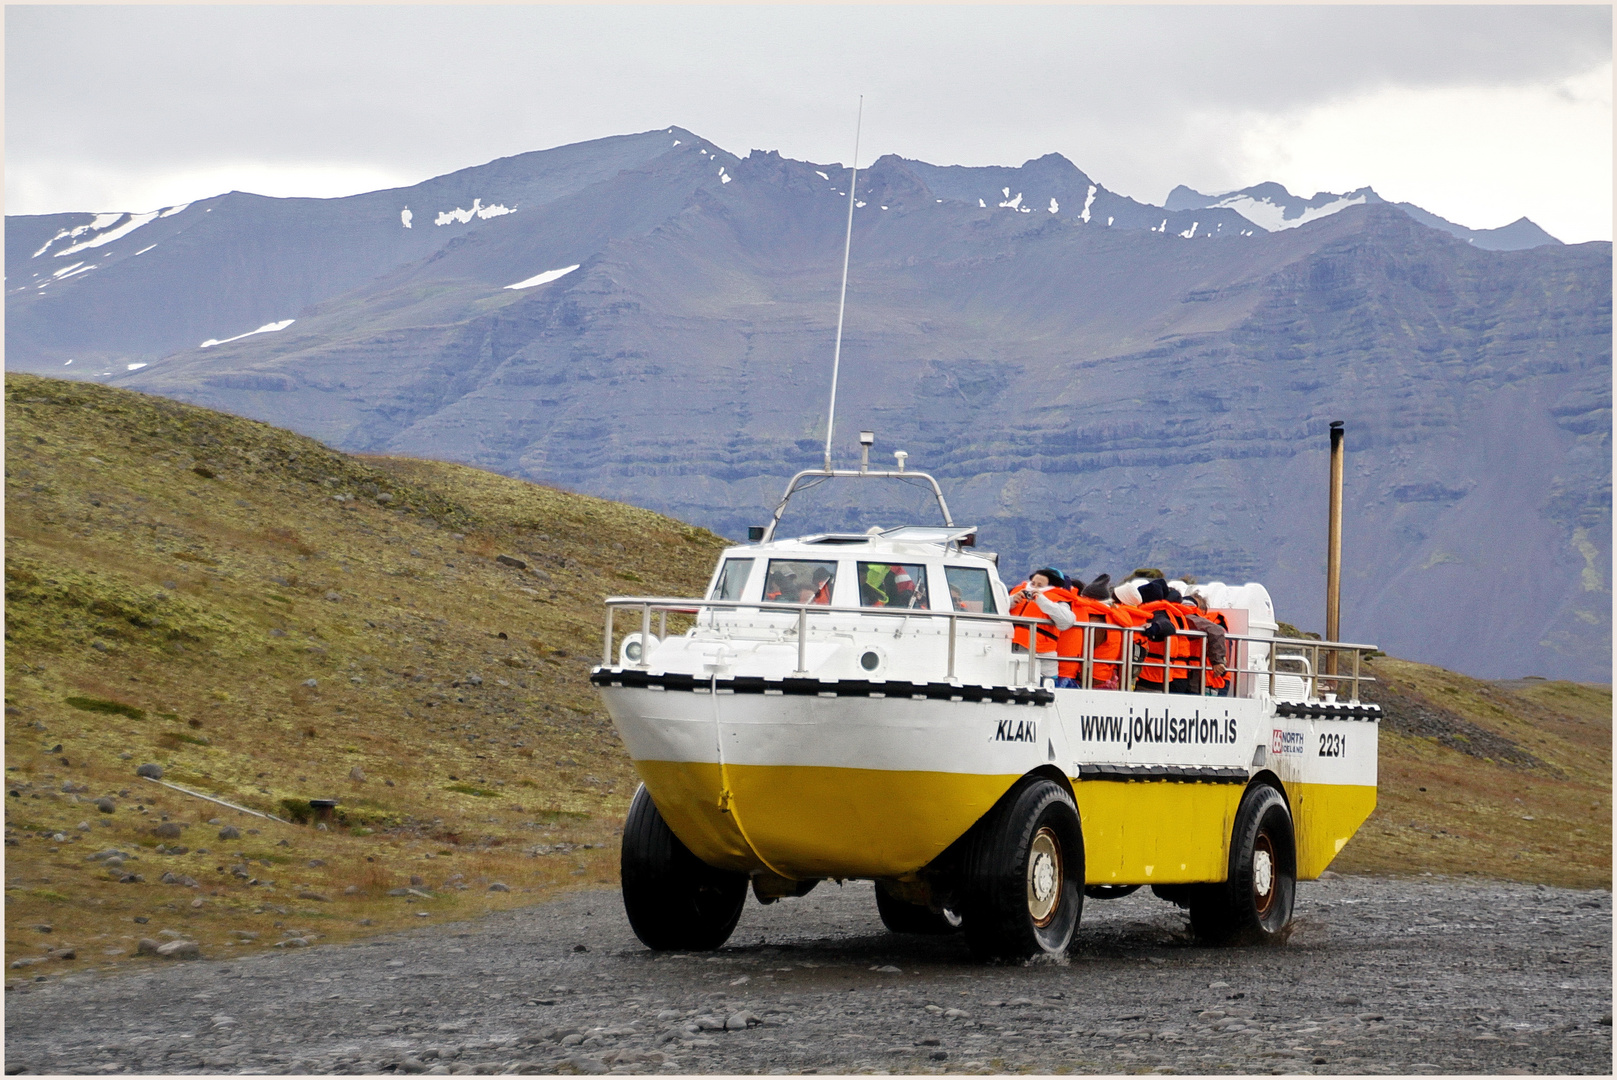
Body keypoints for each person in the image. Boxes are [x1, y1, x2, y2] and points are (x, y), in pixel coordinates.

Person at [1008, 568, 1079, 686]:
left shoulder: (1058, 599)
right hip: (1012, 650)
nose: (1034, 587)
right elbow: (995, 610)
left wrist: (1041, 600)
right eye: (1033, 583)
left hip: (1042, 655)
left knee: (1046, 684)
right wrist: (1011, 601)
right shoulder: (1017, 593)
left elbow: (1067, 621)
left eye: (1039, 585)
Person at [1183, 590, 1230, 695]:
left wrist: (1217, 662)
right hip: (1197, 677)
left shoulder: (1214, 627)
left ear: (1202, 611)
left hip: (1212, 680)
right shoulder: (1206, 626)